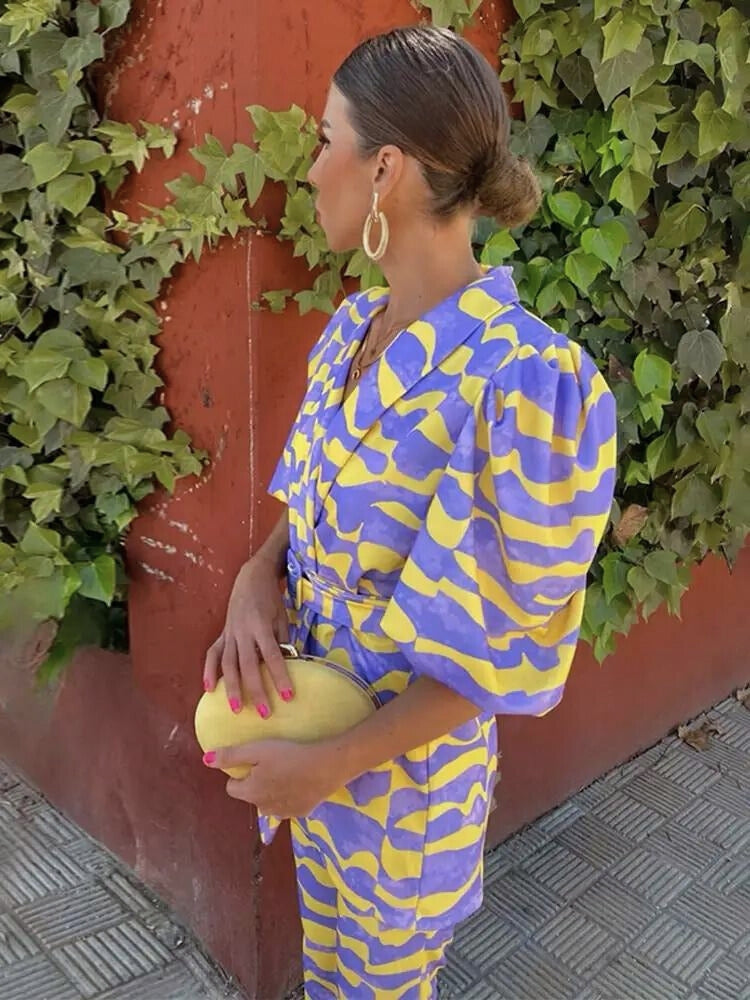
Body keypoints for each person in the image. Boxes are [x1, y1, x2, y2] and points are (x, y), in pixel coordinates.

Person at [201, 25, 617, 1000]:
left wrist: (331, 766)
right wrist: (255, 577)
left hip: (402, 791)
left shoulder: (525, 386)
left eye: (324, 142)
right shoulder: (353, 329)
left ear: (384, 168)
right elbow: (306, 511)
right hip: (311, 743)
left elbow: (495, 654)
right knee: (326, 977)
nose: (311, 170)